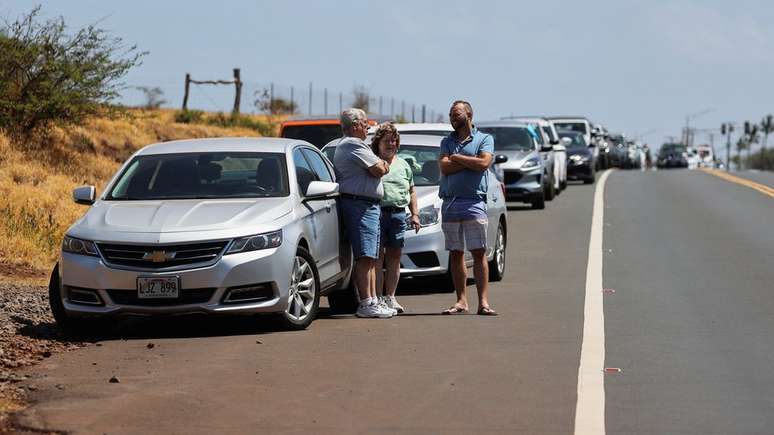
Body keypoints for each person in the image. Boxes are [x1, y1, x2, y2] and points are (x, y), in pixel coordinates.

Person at [332, 108, 395, 318]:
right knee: (365, 256)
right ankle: (366, 302)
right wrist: (383, 165)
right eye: (365, 123)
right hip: (360, 205)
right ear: (356, 125)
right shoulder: (352, 144)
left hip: (368, 205)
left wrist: (381, 165)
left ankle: (373, 300)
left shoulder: (358, 145)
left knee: (371, 256)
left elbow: (379, 167)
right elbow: (378, 169)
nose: (368, 126)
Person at [438, 100, 497, 316]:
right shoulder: (447, 141)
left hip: (474, 202)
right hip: (451, 203)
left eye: (456, 113)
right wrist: (469, 161)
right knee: (456, 253)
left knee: (479, 252)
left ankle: (483, 302)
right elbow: (444, 167)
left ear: (469, 115)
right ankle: (461, 300)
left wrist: (458, 158)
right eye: (451, 114)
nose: (452, 117)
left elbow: (484, 164)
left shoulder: (484, 139)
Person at [371, 123, 421, 314]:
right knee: (377, 258)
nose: (390, 144)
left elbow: (411, 190)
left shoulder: (404, 165)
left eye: (393, 140)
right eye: (386, 141)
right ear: (378, 144)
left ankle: (390, 297)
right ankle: (376, 298)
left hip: (399, 215)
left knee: (394, 257)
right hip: (377, 214)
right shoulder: (373, 162)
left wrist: (415, 214)